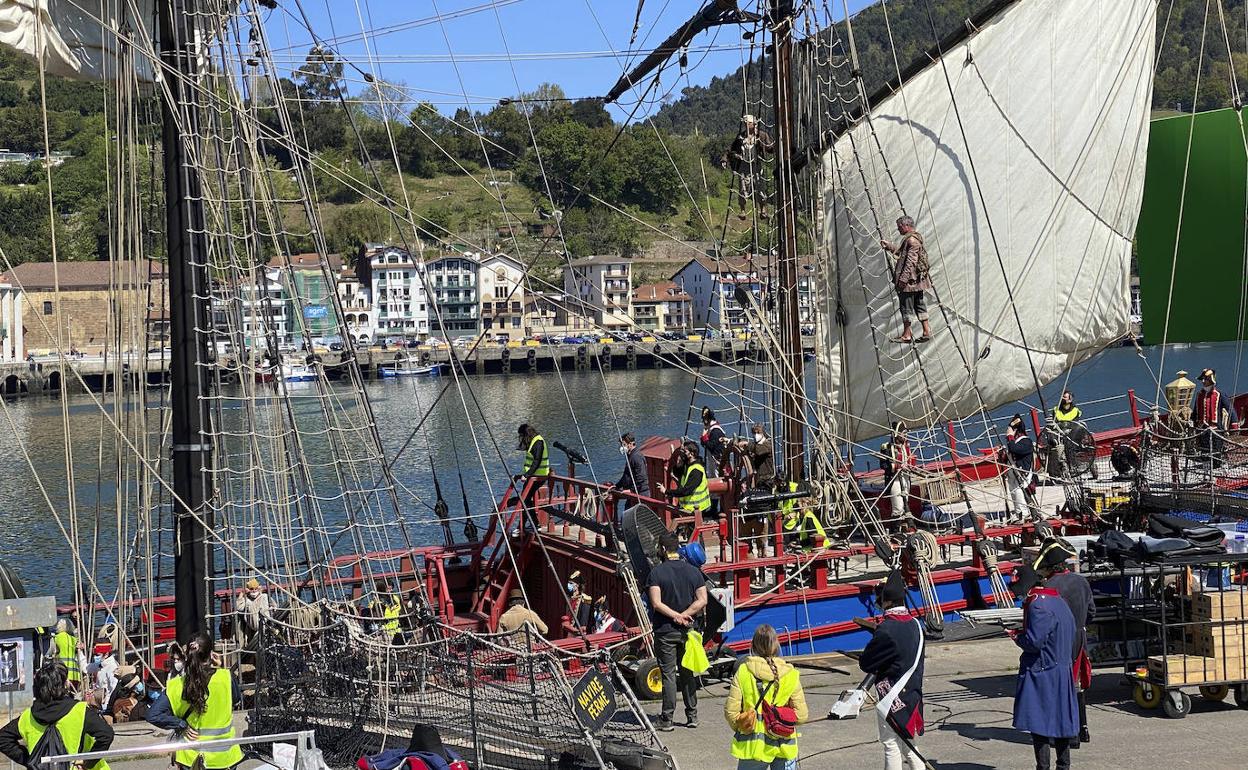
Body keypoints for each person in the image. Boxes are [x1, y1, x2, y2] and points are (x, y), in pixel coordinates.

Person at [1010, 565, 1079, 770]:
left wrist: (1016, 637)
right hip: (1061, 668)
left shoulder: (1037, 605)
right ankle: (1063, 765)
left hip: (1043, 671)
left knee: (1038, 723)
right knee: (1061, 721)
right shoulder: (1057, 600)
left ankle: (1044, 767)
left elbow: (1034, 642)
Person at [859, 572, 925, 770]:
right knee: (910, 746)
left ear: (886, 601)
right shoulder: (915, 624)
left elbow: (866, 663)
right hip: (913, 694)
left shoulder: (886, 628)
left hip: (892, 696)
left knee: (891, 745)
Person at [147, 632, 243, 770]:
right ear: (211, 654)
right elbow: (235, 699)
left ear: (187, 656)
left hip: (192, 758)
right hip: (226, 757)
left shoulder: (176, 685)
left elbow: (153, 715)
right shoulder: (226, 677)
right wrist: (221, 667)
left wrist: (181, 724)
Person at [646, 530, 708, 731]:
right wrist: (685, 614)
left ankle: (667, 719)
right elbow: (703, 600)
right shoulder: (693, 571)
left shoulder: (656, 573)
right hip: (689, 630)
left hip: (665, 630)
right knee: (687, 672)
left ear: (663, 549)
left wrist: (675, 616)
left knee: (669, 675)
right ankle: (692, 716)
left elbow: (656, 603)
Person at [0, 661, 113, 770]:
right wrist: (88, 762)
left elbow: (3, 738)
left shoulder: (28, 716)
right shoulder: (80, 711)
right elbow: (106, 734)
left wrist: (30, 760)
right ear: (63, 685)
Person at [724, 624, 808, 769]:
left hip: (752, 746)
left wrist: (744, 725)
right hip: (784, 745)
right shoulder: (791, 674)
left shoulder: (744, 671)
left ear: (753, 646)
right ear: (777, 645)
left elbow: (731, 712)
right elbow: (801, 715)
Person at [1035, 538, 1094, 745]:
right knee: (1077, 686)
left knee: (1059, 688)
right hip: (1080, 638)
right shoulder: (1081, 581)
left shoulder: (1049, 587)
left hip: (1058, 642)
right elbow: (1092, 612)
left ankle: (1066, 734)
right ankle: (1082, 729)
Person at [880, 216, 932, 344]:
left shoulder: (911, 240)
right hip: (917, 282)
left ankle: (907, 334)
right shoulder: (914, 239)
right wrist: (890, 246)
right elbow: (903, 254)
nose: (898, 229)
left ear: (905, 226)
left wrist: (903, 280)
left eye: (899, 227)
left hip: (910, 283)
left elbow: (910, 262)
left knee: (906, 306)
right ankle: (926, 331)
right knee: (919, 304)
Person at [723, 114, 774, 220]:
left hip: (756, 164)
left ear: (753, 124)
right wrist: (725, 159)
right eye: (745, 123)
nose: (746, 124)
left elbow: (770, 148)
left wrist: (768, 144)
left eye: (748, 123)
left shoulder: (761, 135)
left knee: (760, 187)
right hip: (744, 165)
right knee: (743, 189)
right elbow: (731, 148)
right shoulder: (741, 137)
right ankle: (742, 211)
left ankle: (763, 209)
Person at [1193, 368, 1235, 467]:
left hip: (1215, 429)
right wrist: (1192, 422)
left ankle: (1216, 468)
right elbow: (1196, 411)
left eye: (1205, 379)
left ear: (1211, 380)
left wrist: (1234, 423)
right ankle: (1206, 469)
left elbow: (1230, 409)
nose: (1203, 381)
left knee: (1216, 452)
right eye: (1202, 379)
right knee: (1204, 451)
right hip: (1202, 429)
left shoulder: (1220, 395)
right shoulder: (1199, 395)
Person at [658, 444, 711, 518]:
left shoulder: (696, 470)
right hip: (688, 508)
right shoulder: (687, 465)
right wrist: (678, 464)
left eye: (685, 451)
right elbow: (677, 473)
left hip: (697, 509)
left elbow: (686, 490)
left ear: (691, 454)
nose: (682, 453)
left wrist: (667, 491)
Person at [515, 423, 550, 532]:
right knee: (525, 500)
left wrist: (527, 475)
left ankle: (524, 526)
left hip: (539, 476)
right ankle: (534, 524)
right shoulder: (532, 442)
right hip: (532, 476)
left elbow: (537, 461)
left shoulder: (538, 442)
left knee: (525, 499)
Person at [1004, 414, 1038, 520]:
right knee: (1014, 492)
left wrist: (1010, 437)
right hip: (1013, 473)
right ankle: (1019, 513)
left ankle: (1023, 513)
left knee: (1019, 491)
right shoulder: (1015, 442)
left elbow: (1015, 449)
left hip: (1022, 473)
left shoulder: (1026, 441)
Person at [881, 422, 915, 519]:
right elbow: (884, 465)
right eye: (903, 433)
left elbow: (909, 459)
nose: (905, 435)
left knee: (905, 504)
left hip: (905, 477)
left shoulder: (906, 446)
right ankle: (896, 530)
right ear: (897, 434)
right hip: (894, 479)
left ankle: (902, 527)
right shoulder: (887, 447)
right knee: (898, 507)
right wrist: (898, 466)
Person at [234, 578, 272, 647]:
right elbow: (238, 608)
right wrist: (242, 594)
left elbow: (273, 606)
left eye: (256, 588)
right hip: (253, 627)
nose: (254, 591)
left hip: (266, 625)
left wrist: (261, 592)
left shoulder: (264, 597)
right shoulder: (247, 600)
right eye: (251, 589)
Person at [49, 618, 83, 692]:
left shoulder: (56, 638)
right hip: (75, 673)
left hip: (62, 672)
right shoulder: (74, 639)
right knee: (74, 695)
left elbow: (51, 652)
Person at [615, 432, 650, 497]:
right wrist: (616, 486)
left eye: (624, 444)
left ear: (630, 444)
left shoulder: (636, 457)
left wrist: (631, 490)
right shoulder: (630, 456)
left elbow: (641, 478)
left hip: (641, 493)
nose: (622, 447)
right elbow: (626, 475)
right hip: (633, 493)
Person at [699, 408, 729, 478]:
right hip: (713, 460)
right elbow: (705, 444)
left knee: (716, 475)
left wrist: (704, 437)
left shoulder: (715, 431)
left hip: (717, 460)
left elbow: (710, 446)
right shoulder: (712, 429)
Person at [745, 425, 775, 489]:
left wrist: (747, 444)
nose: (756, 435)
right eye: (754, 433)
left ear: (763, 433)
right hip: (758, 478)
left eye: (758, 433)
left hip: (767, 478)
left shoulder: (767, 444)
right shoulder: (755, 444)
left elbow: (758, 450)